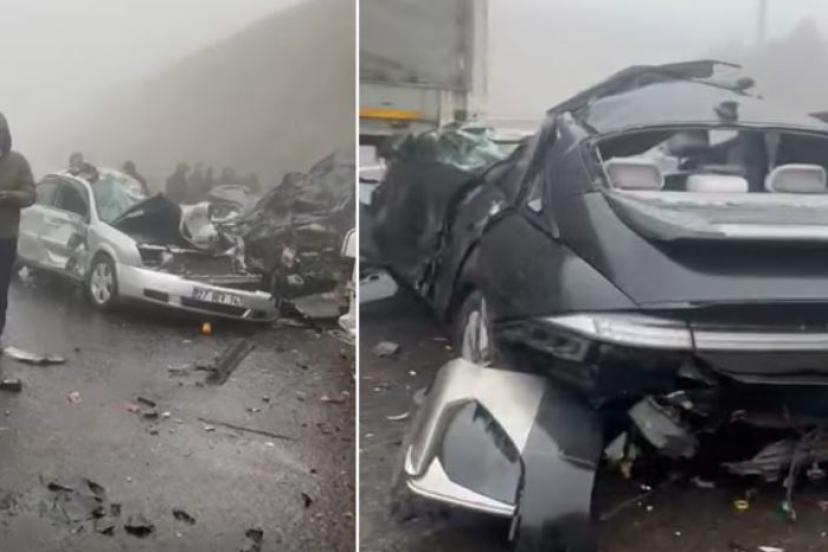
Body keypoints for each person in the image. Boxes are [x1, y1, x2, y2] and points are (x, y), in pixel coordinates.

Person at [0, 114, 34, 341]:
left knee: (0, 286)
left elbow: (31, 194)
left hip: (5, 237)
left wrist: (10, 196)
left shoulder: (18, 162)